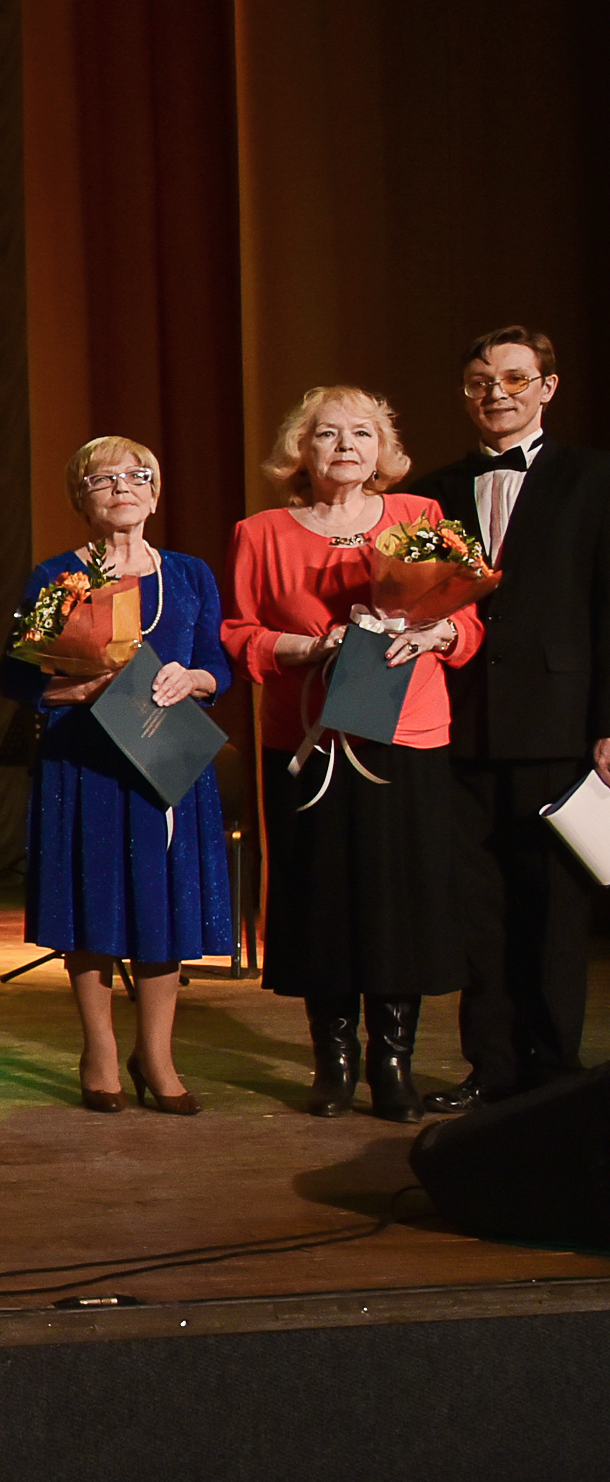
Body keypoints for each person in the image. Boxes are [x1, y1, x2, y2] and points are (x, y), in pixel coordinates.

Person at [223, 386, 480, 1121]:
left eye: (362, 433)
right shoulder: (260, 531)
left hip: (406, 733)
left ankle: (391, 1062)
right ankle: (333, 1060)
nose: (345, 446)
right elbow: (238, 635)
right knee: (322, 896)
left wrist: (436, 634)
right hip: (307, 738)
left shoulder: (420, 517)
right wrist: (308, 647)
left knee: (400, 900)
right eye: (327, 433)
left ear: (383, 449)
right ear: (300, 450)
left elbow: (467, 624)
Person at [0, 437, 232, 1114]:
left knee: (165, 904)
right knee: (91, 901)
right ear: (82, 498)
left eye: (137, 476)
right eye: (103, 479)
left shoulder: (189, 574)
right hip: (84, 761)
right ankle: (99, 1050)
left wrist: (193, 677)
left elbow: (219, 664)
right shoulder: (55, 575)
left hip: (166, 758)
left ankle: (156, 1054)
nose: (122, 487)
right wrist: (70, 690)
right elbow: (15, 674)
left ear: (155, 493)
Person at [407, 327, 610, 1110]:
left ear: (547, 387)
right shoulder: (433, 492)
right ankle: (490, 1066)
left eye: (515, 378)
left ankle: (554, 1074)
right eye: (480, 382)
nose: (496, 393)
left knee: (554, 907)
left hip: (559, 724)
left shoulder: (595, 478)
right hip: (457, 725)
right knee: (477, 907)